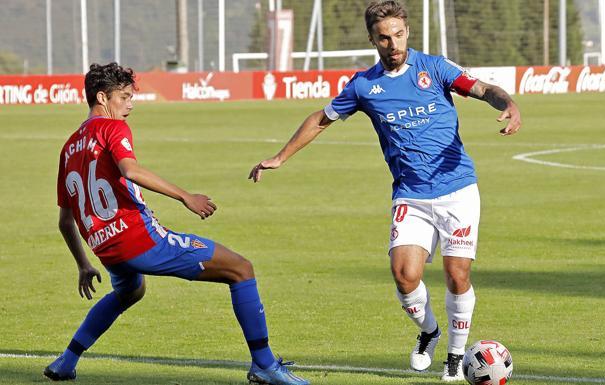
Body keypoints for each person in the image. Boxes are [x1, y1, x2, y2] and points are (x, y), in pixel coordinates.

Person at [249, 0, 521, 382]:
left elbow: (482, 88)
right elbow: (321, 119)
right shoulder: (364, 86)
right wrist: (280, 157)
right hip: (410, 193)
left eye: (398, 34)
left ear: (407, 32)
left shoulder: (435, 68)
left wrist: (507, 103)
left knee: (457, 275)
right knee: (404, 275)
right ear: (372, 40)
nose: (392, 43)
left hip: (458, 189)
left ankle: (456, 359)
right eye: (383, 37)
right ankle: (429, 332)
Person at [47, 62, 309, 385]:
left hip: (105, 247)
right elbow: (130, 170)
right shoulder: (111, 128)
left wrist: (83, 264)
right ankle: (265, 365)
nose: (131, 105)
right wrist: (186, 196)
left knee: (130, 290)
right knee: (241, 269)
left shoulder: (68, 149)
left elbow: (64, 220)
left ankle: (66, 360)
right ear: (102, 97)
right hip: (139, 239)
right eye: (125, 97)